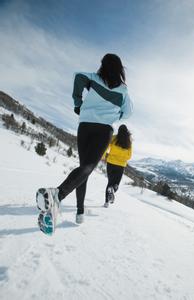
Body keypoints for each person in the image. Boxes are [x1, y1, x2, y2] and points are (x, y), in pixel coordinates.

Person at [36, 53, 133, 234]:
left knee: (84, 168)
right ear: (120, 69)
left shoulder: (94, 78)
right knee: (88, 167)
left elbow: (78, 76)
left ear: (103, 65)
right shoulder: (123, 90)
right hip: (104, 129)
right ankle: (58, 194)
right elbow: (128, 113)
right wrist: (115, 115)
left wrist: (78, 102)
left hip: (85, 125)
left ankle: (79, 212)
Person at [102, 125, 132, 208]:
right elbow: (129, 156)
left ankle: (106, 203)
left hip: (111, 162)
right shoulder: (129, 141)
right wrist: (122, 157)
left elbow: (106, 147)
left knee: (110, 182)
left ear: (118, 131)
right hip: (121, 165)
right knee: (116, 184)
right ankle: (113, 190)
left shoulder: (114, 137)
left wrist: (103, 156)